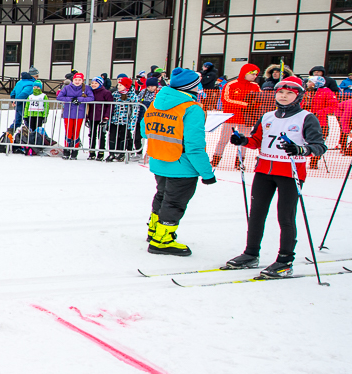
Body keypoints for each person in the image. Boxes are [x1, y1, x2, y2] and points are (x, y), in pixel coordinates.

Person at [221, 77, 328, 278]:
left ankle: (285, 261)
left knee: (285, 217)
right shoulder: (268, 116)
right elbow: (256, 140)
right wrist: (242, 140)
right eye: (280, 93)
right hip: (264, 171)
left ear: (298, 96)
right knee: (257, 214)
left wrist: (300, 149)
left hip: (290, 172)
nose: (284, 96)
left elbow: (319, 147)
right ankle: (251, 254)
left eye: (289, 93)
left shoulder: (306, 117)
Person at [141, 68, 216, 256]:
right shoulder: (191, 108)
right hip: (182, 165)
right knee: (174, 202)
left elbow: (144, 131)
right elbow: (194, 146)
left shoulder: (156, 103)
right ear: (192, 87)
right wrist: (207, 174)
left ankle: (154, 231)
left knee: (162, 196)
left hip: (159, 159)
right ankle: (163, 240)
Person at [212, 61, 261, 168]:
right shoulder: (231, 84)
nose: (254, 76)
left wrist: (253, 106)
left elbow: (259, 100)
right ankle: (216, 159)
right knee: (223, 139)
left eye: (256, 74)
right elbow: (225, 99)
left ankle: (239, 161)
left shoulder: (255, 86)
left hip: (247, 118)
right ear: (245, 73)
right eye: (252, 74)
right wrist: (245, 105)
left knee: (245, 140)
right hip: (231, 117)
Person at [56, 71, 93, 160]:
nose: (77, 81)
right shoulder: (67, 88)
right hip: (68, 113)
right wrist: (71, 99)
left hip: (79, 114)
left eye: (79, 80)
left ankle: (74, 151)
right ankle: (67, 150)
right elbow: (59, 97)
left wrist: (79, 99)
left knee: (76, 132)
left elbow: (91, 98)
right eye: (76, 79)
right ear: (73, 80)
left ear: (82, 81)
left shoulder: (86, 88)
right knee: (68, 132)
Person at [305, 78, 337, 169]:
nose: (308, 83)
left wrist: (319, 112)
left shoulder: (326, 91)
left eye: (310, 82)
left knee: (318, 140)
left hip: (320, 121)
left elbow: (333, 106)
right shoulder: (307, 92)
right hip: (305, 119)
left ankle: (314, 161)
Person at [108, 76, 139, 160]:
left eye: (120, 85)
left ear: (126, 86)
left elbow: (135, 110)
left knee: (123, 137)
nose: (118, 87)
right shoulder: (115, 94)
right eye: (118, 85)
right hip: (114, 120)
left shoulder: (132, 96)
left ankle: (121, 153)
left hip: (125, 121)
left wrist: (132, 123)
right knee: (112, 137)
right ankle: (112, 153)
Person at [86, 76, 114, 160]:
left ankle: (100, 153)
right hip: (92, 116)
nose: (94, 85)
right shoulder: (90, 92)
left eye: (96, 83)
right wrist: (87, 116)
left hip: (102, 117)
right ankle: (92, 152)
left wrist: (106, 116)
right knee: (92, 135)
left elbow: (110, 105)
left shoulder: (106, 92)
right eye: (92, 83)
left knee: (101, 135)